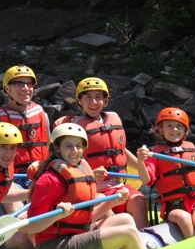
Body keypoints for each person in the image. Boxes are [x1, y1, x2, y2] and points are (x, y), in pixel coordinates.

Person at [26, 123, 147, 249]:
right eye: (68, 146)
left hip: (76, 235)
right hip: (53, 248)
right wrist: (56, 215)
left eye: (79, 146)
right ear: (57, 148)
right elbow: (31, 228)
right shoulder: (48, 180)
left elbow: (85, 220)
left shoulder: (82, 172)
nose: (75, 151)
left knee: (125, 219)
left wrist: (112, 203)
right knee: (127, 233)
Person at [54, 77, 149, 229]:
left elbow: (120, 150)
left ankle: (146, 240)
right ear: (79, 101)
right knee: (107, 211)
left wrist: (141, 166)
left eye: (98, 97)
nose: (93, 102)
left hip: (117, 184)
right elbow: (68, 160)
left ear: (105, 101)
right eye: (88, 97)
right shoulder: (73, 126)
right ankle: (116, 239)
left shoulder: (113, 118)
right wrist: (89, 175)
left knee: (139, 200)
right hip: (92, 187)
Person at [136, 107, 195, 239]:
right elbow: (146, 180)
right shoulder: (154, 153)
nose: (174, 130)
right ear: (160, 130)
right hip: (173, 206)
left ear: (185, 130)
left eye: (179, 126)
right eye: (169, 126)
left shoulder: (190, 147)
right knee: (184, 218)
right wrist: (141, 161)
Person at [0, 65, 50, 189]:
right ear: (7, 89)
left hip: (40, 175)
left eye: (29, 83)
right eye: (19, 84)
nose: (26, 88)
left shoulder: (42, 115)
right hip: (9, 178)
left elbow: (49, 149)